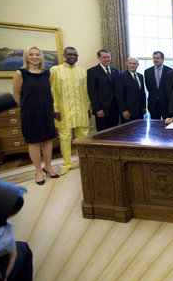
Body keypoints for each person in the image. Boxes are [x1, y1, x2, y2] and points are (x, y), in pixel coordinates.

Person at [12, 47, 59, 185]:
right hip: (30, 113)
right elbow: (16, 94)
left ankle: (48, 167)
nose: (34, 57)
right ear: (27, 57)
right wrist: (27, 106)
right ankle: (38, 171)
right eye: (31, 54)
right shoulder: (20, 73)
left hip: (46, 111)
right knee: (33, 141)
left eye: (37, 54)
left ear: (41, 57)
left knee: (48, 140)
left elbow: (47, 91)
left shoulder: (47, 73)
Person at [50, 46, 91, 175]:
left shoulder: (82, 71)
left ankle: (82, 160)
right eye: (70, 54)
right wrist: (55, 108)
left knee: (83, 136)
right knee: (65, 137)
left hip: (81, 108)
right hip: (64, 110)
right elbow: (53, 91)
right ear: (64, 55)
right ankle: (67, 163)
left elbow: (86, 91)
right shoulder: (55, 70)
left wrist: (88, 107)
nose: (73, 57)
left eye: (75, 55)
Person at [87, 49, 119, 131]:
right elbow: (92, 92)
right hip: (102, 109)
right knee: (102, 134)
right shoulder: (92, 71)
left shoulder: (115, 71)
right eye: (104, 57)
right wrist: (97, 109)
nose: (107, 59)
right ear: (98, 58)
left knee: (114, 132)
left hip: (114, 108)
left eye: (108, 57)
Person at [114, 57, 146, 123]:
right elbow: (119, 95)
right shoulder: (121, 76)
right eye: (130, 63)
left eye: (134, 63)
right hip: (128, 112)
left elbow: (142, 93)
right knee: (128, 132)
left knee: (139, 130)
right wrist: (123, 110)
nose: (132, 65)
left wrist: (144, 107)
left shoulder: (140, 76)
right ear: (127, 64)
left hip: (140, 111)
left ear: (138, 64)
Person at [144, 51, 172, 119]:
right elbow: (148, 87)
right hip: (153, 104)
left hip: (166, 104)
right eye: (154, 58)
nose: (155, 60)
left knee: (167, 125)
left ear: (162, 59)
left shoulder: (170, 71)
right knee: (154, 126)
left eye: (157, 58)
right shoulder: (147, 72)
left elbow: (170, 87)